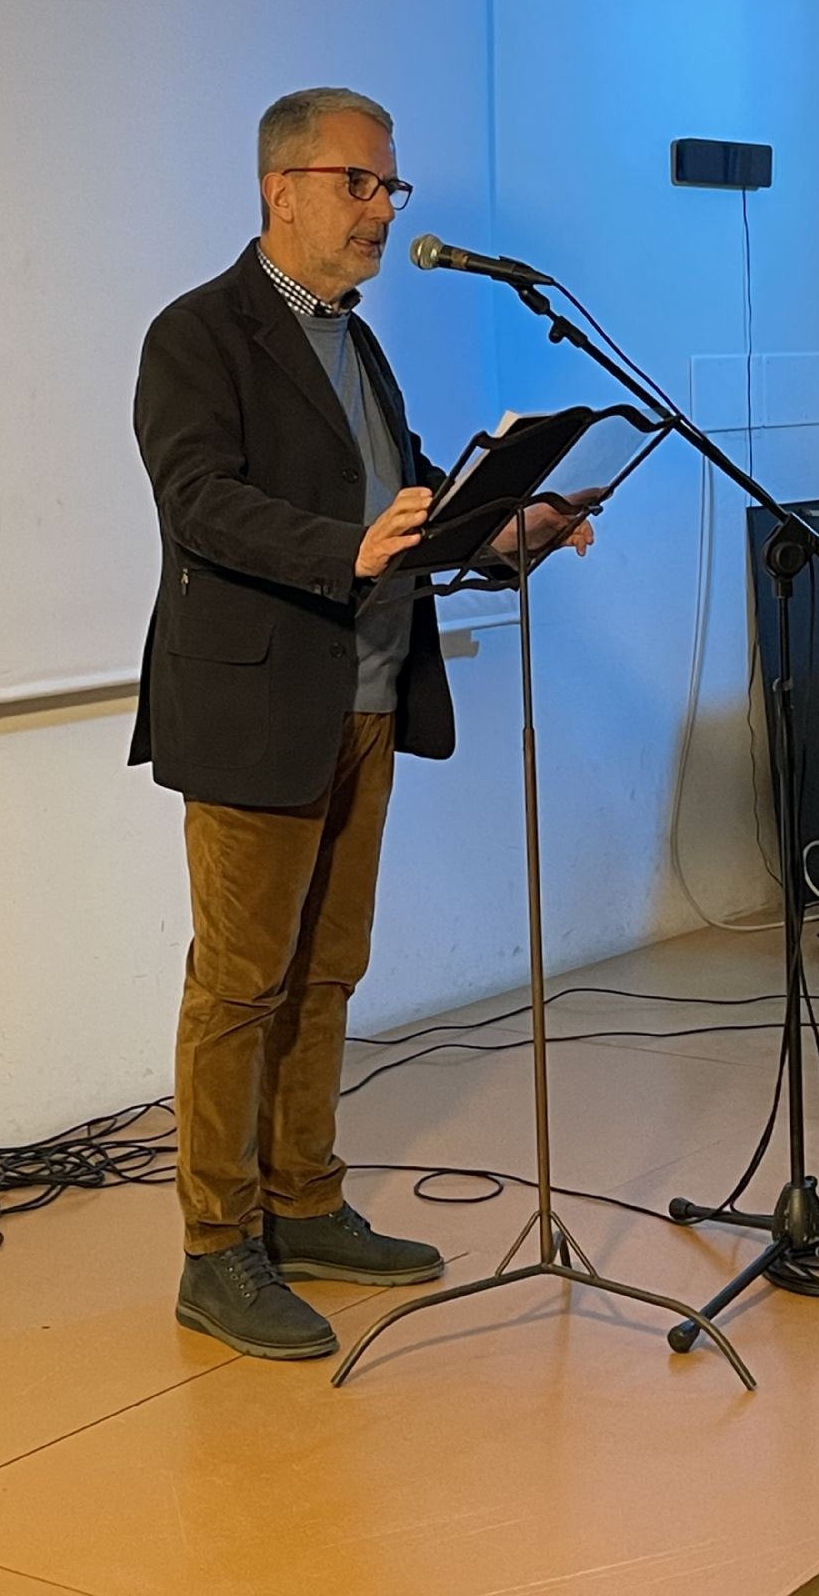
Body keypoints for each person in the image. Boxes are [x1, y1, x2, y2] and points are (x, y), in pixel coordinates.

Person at [131, 87, 590, 1361]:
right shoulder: (198, 334)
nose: (383, 208)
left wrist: (505, 531)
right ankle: (218, 1250)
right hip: (257, 703)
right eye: (360, 183)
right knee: (240, 982)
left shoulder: (358, 343)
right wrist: (349, 546)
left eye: (391, 187)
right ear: (282, 188)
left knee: (328, 969)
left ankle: (303, 1203)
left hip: (369, 695)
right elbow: (198, 501)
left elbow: (406, 499)